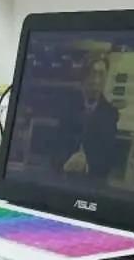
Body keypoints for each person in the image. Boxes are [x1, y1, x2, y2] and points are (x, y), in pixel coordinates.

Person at [51, 53, 121, 181]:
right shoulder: (68, 107)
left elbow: (109, 157)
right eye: (93, 74)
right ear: (83, 77)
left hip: (93, 182)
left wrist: (87, 165)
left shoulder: (110, 114)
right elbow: (56, 145)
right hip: (63, 177)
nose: (96, 80)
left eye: (101, 75)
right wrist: (65, 162)